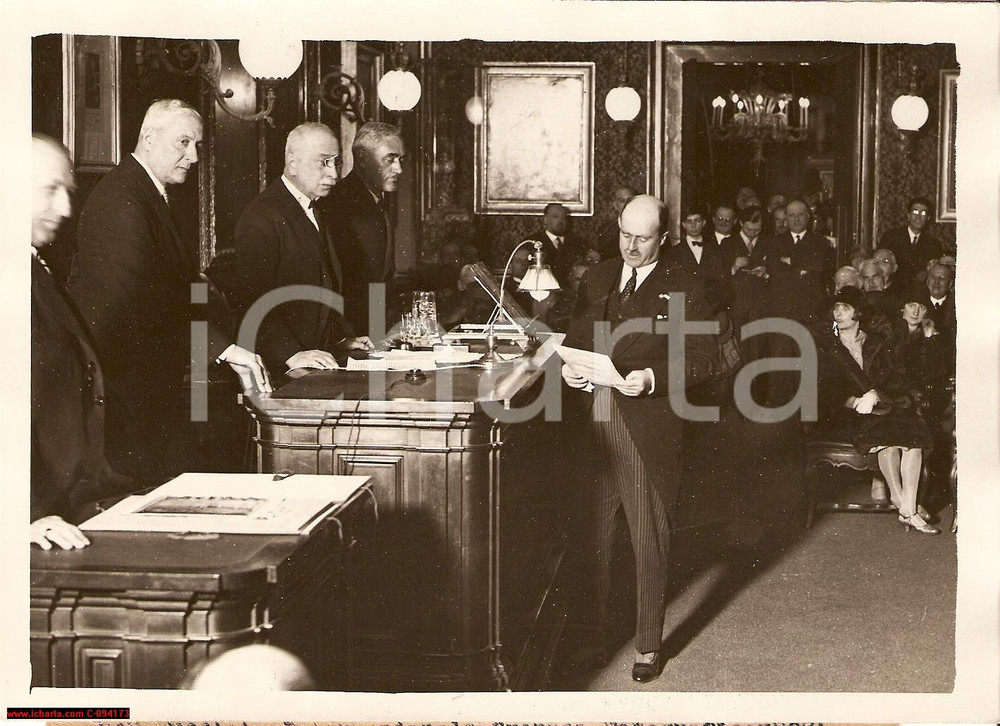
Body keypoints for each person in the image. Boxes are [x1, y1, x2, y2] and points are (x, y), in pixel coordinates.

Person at [67, 99, 270, 483]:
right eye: (183, 143)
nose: (193, 156)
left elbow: (185, 286)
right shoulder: (122, 200)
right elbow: (143, 304)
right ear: (148, 138)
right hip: (128, 393)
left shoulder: (147, 193)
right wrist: (223, 350)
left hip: (151, 386)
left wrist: (223, 342)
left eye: (197, 145)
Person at [561, 195, 717, 682]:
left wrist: (652, 378)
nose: (630, 246)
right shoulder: (599, 276)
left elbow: (704, 358)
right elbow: (576, 340)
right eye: (625, 234)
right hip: (595, 418)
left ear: (663, 238)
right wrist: (571, 371)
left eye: (643, 238)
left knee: (647, 535)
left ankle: (648, 645)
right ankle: (594, 637)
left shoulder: (685, 283)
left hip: (646, 425)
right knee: (594, 534)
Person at [30, 135, 133, 550]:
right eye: (50, 190)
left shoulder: (32, 266)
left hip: (72, 506)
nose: (65, 209)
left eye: (67, 191)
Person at [206, 122, 370, 378]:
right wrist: (290, 354)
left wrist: (339, 339)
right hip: (278, 368)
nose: (334, 174)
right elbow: (251, 299)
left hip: (315, 360)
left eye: (336, 163)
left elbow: (320, 287)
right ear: (292, 163)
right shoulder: (262, 216)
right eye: (324, 162)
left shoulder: (315, 208)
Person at [816, 287, 937, 534]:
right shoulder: (828, 347)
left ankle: (905, 505)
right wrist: (854, 401)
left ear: (858, 313)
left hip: (883, 405)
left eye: (845, 308)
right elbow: (825, 390)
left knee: (912, 438)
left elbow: (894, 377)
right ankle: (908, 508)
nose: (838, 313)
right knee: (888, 439)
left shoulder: (876, 342)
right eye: (836, 308)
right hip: (850, 413)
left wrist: (876, 395)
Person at [326, 121, 405, 336]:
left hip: (372, 330)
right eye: (390, 160)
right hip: (352, 335)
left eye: (400, 160)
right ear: (362, 159)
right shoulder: (339, 203)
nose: (399, 169)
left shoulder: (375, 199)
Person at [665, 207, 731, 314]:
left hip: (711, 309)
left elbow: (721, 280)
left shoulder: (715, 250)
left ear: (703, 223)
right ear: (683, 225)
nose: (693, 225)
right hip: (685, 309)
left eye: (697, 221)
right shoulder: (673, 253)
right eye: (689, 222)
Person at [878, 196, 944, 287]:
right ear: (908, 215)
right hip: (893, 288)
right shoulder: (891, 237)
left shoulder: (933, 244)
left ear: (928, 218)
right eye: (915, 212)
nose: (918, 217)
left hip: (920, 289)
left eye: (923, 213)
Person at [527, 202, 585, 286]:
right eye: (556, 217)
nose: (561, 221)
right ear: (545, 220)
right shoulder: (532, 241)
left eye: (563, 217)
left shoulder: (578, 242)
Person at [596, 186, 635, 260]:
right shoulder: (606, 227)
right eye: (622, 200)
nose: (626, 204)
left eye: (629, 200)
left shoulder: (641, 227)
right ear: (615, 205)